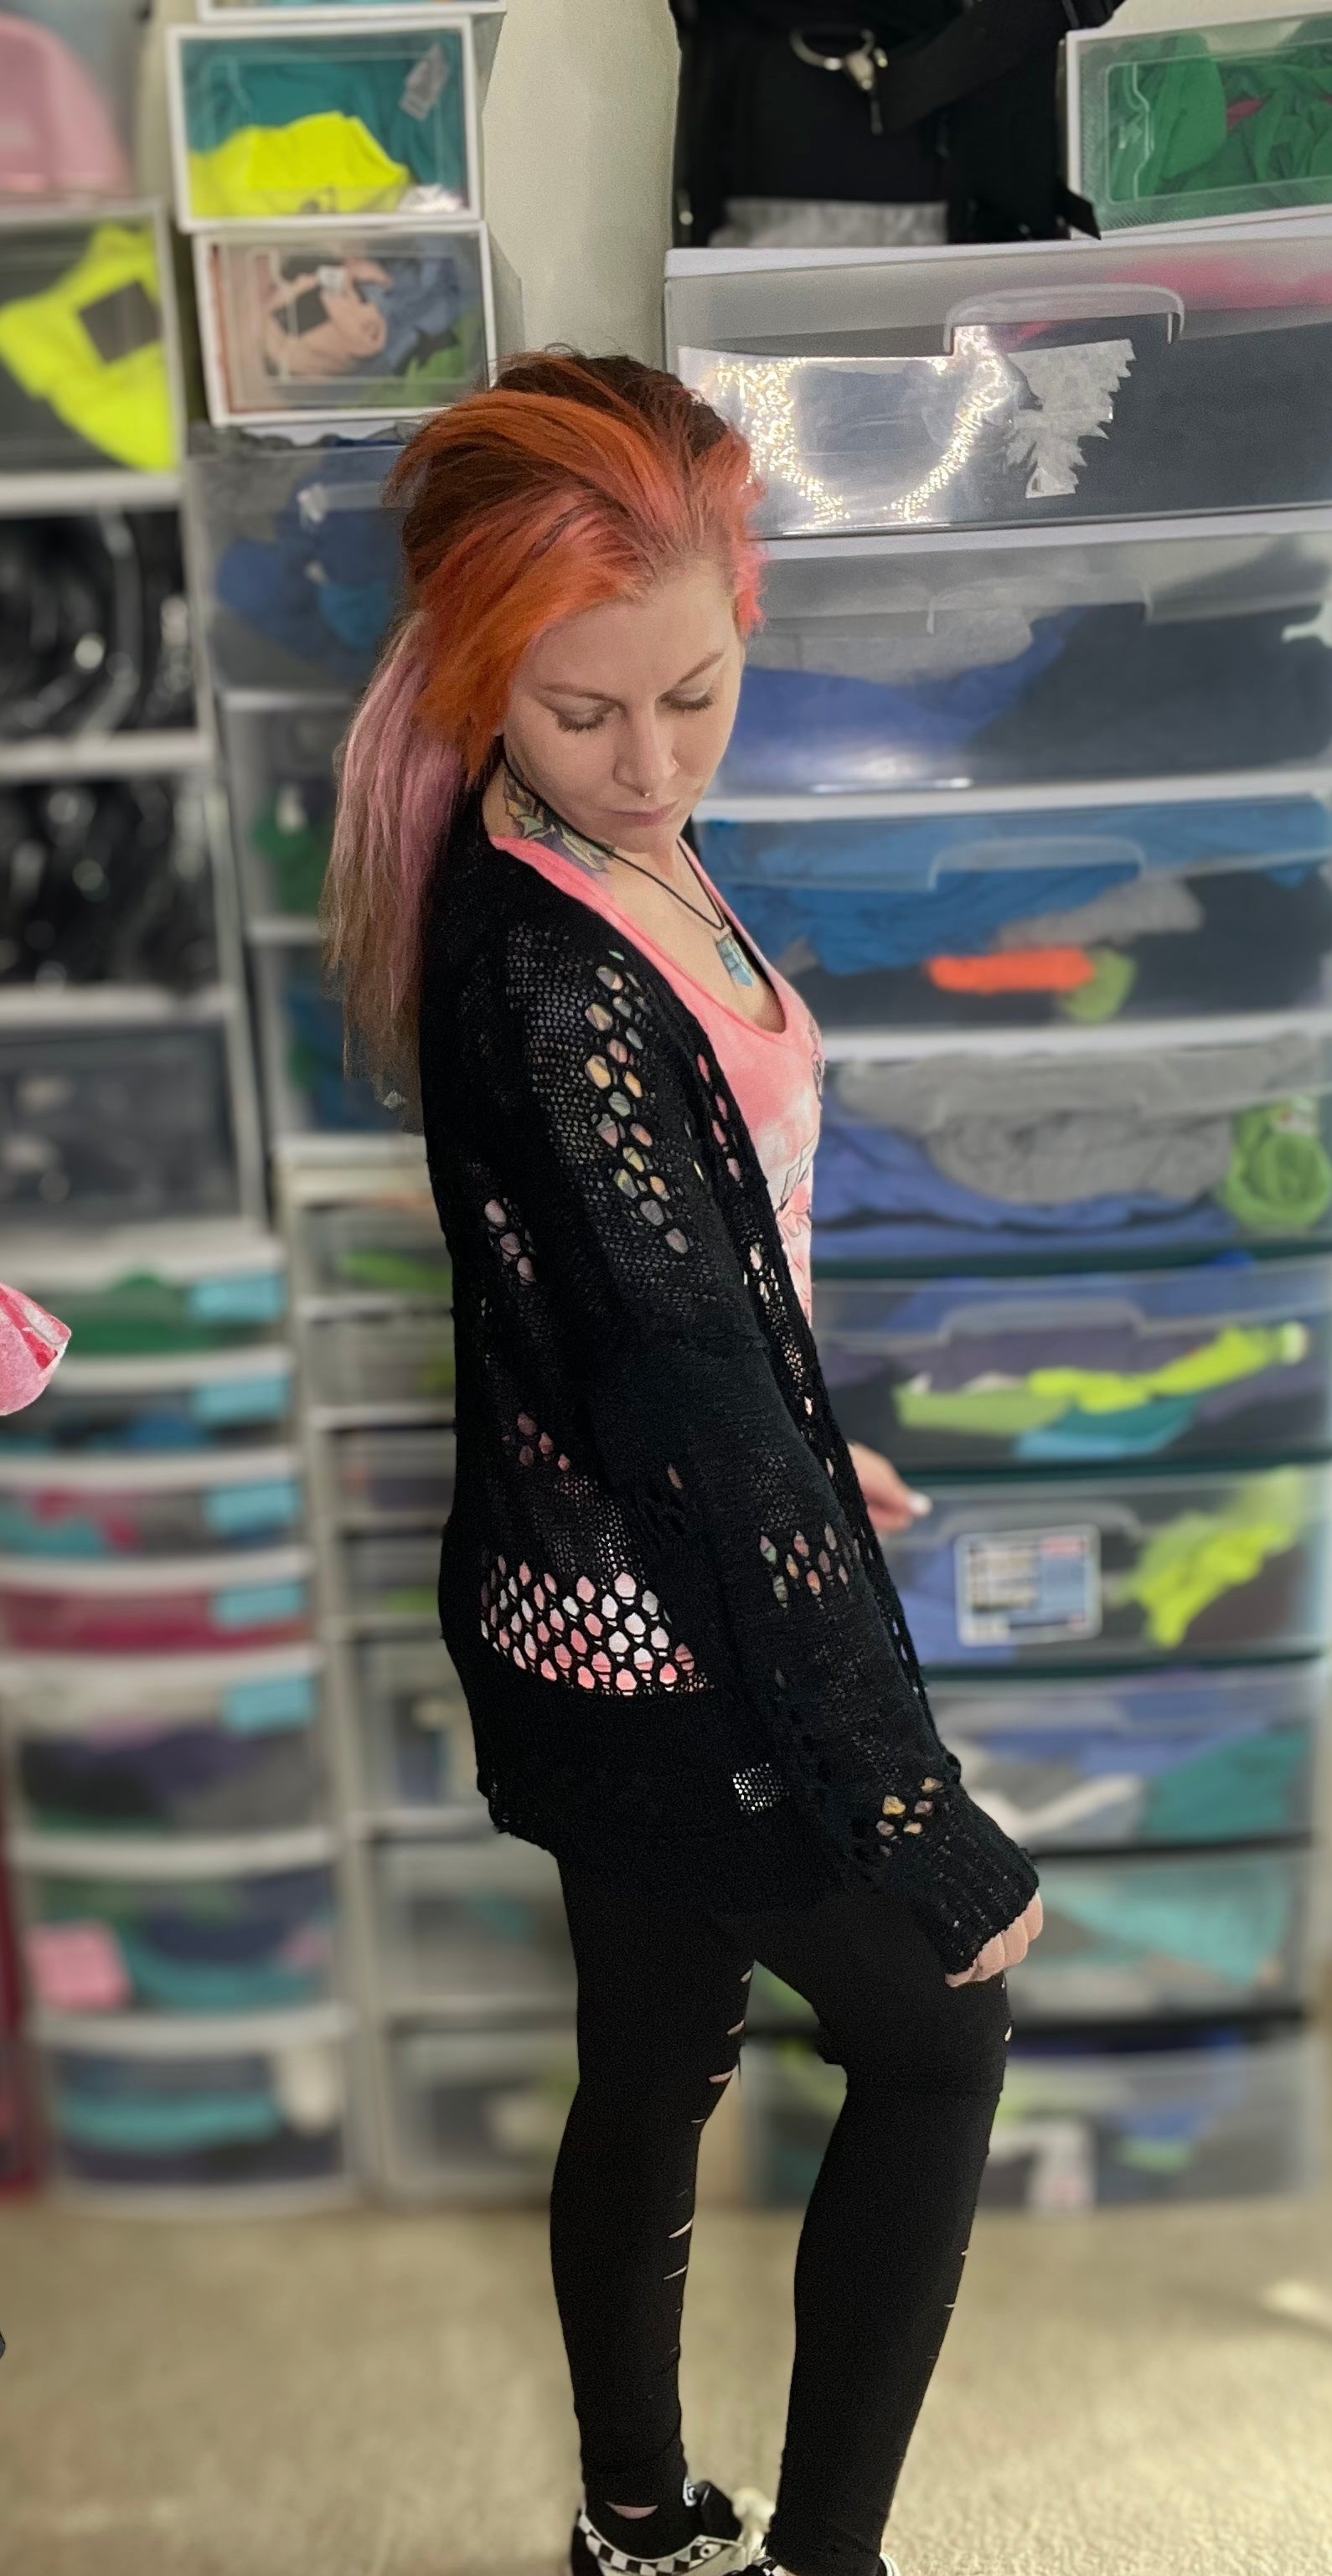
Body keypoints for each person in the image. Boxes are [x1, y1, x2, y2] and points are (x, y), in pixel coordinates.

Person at [324, 353, 1043, 2576]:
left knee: (650, 2047)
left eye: (697, 697)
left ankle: (637, 2520)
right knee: (940, 2041)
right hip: (661, 1632)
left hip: (594, 1594)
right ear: (479, 678)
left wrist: (814, 1444)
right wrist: (915, 1816)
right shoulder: (552, 988)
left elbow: (694, 1307)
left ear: (742, 613)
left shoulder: (600, 853)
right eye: (583, 715)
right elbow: (680, 1390)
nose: (650, 763)